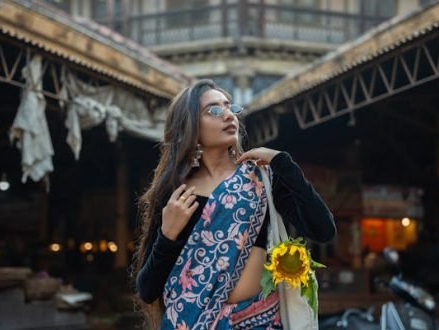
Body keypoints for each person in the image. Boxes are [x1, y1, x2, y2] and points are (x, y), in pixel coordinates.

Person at [133, 79, 336, 329]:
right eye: (214, 111)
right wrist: (168, 235)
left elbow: (323, 230)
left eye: (231, 107)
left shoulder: (261, 179)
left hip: (258, 321)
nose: (228, 115)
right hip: (189, 321)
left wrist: (283, 163)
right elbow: (146, 290)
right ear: (191, 127)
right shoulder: (176, 193)